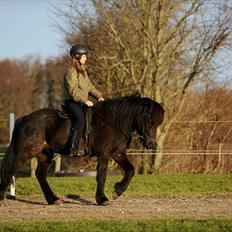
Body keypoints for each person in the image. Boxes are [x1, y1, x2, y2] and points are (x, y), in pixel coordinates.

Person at [63, 44, 104, 156]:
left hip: (82, 102)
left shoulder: (83, 72)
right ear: (77, 57)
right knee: (80, 120)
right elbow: (73, 91)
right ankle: (73, 148)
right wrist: (85, 100)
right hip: (72, 103)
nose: (86, 58)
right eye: (84, 56)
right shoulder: (71, 73)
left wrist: (99, 96)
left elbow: (90, 86)